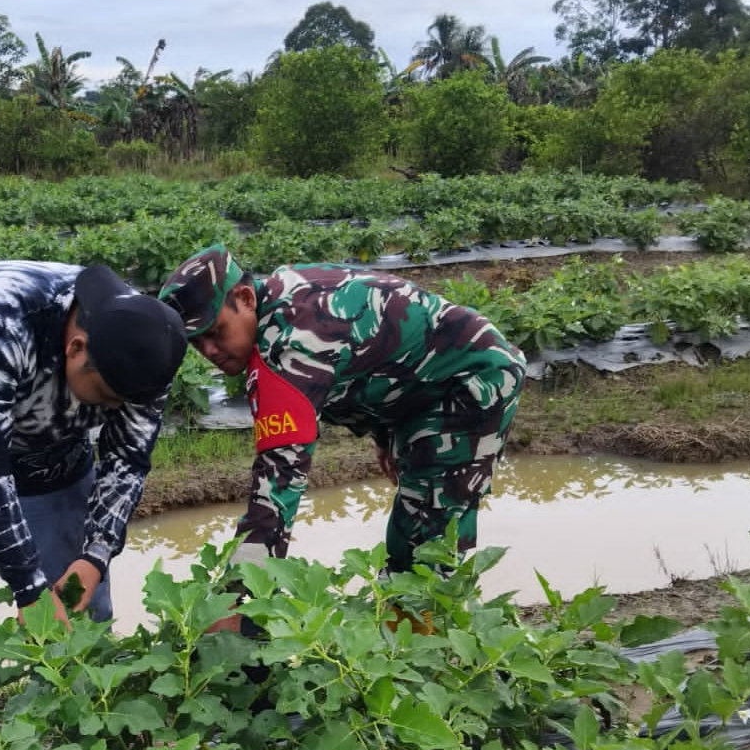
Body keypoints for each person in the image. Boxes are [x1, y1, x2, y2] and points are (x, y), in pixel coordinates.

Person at [158, 245, 525, 622]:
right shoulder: (275, 304)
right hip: (419, 393)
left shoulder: (295, 342)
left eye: (216, 332)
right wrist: (386, 433)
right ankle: (400, 628)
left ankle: (431, 639)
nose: (210, 351)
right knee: (409, 528)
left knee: (433, 529)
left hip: (473, 380)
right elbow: (374, 357)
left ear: (246, 298)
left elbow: (279, 481)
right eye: (197, 342)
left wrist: (237, 597)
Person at [0, 260, 188, 682]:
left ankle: (75, 716)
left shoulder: (149, 345)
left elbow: (128, 459)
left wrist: (96, 554)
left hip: (58, 459)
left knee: (81, 627)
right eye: (106, 396)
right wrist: (28, 587)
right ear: (76, 348)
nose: (114, 410)